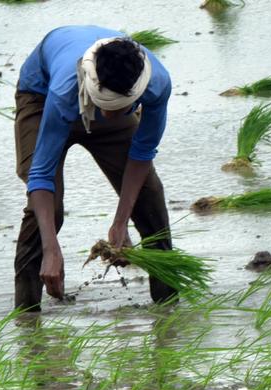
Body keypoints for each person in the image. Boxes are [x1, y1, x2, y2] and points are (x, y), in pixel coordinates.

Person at [13, 25, 176, 311]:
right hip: (42, 98)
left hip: (111, 91)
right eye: (104, 106)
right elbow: (41, 173)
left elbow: (142, 153)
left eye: (117, 108)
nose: (107, 116)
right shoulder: (64, 88)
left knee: (149, 197)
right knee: (48, 209)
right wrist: (52, 249)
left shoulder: (156, 83)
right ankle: (26, 315)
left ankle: (168, 309)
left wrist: (121, 222)